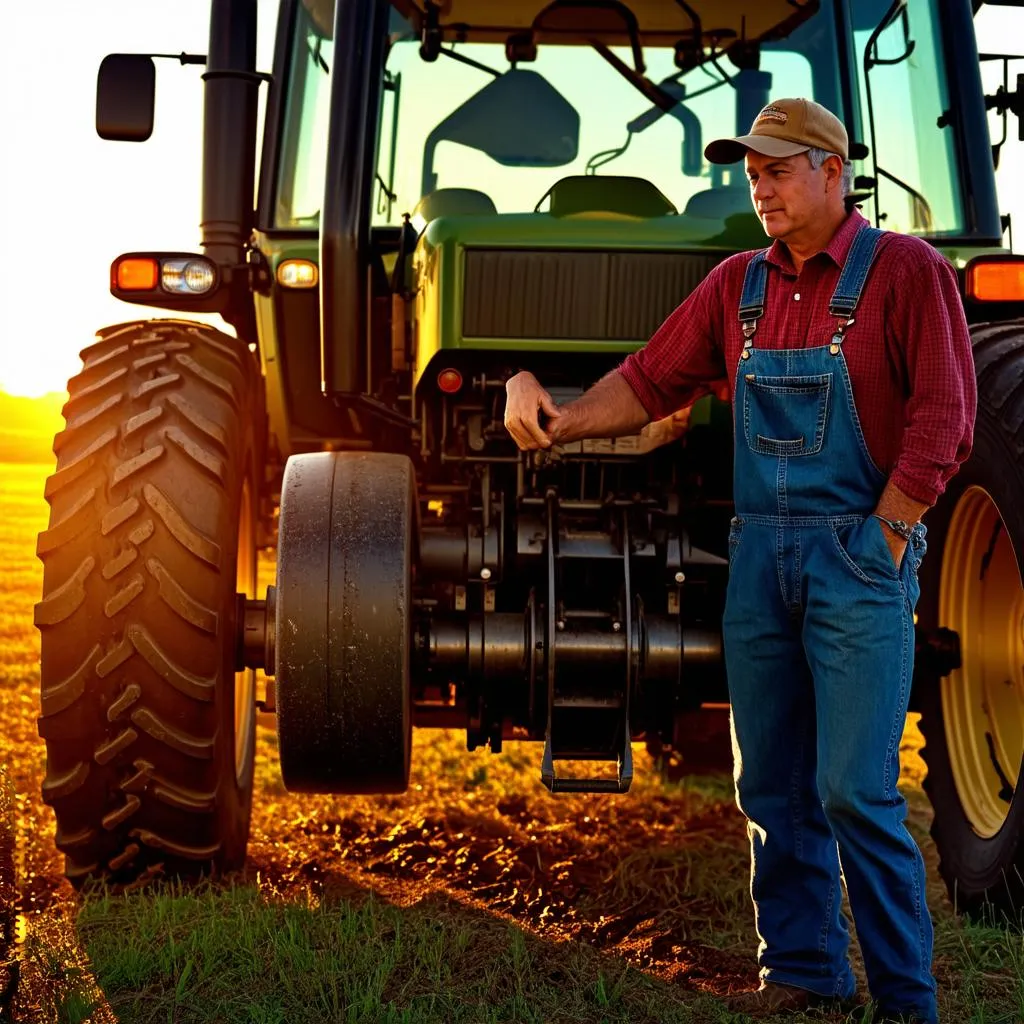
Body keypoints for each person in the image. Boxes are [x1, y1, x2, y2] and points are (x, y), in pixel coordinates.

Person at [504, 98, 976, 1024]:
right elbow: (647, 382)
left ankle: (906, 1001)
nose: (759, 186)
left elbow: (945, 416)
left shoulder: (909, 272)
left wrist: (886, 532)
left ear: (834, 171)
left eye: (778, 168)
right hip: (759, 558)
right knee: (770, 783)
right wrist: (554, 417)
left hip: (857, 556)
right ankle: (802, 972)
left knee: (855, 790)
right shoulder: (736, 286)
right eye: (750, 171)